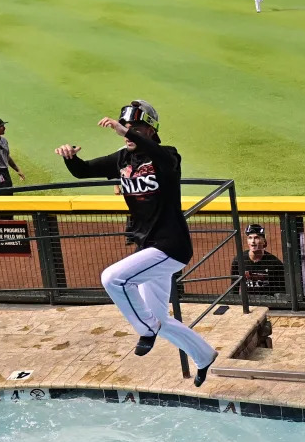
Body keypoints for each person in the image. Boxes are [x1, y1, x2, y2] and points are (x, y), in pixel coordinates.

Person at [53, 101, 218, 387]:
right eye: (125, 127)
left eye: (135, 129)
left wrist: (121, 132)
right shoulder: (122, 160)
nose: (128, 133)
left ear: (151, 131)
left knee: (113, 278)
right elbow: (82, 171)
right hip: (148, 249)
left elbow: (154, 152)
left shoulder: (167, 156)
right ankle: (204, 356)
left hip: (171, 246)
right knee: (159, 318)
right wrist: (69, 157)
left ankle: (145, 329)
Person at [231, 223, 286, 297]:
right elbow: (234, 288)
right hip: (247, 302)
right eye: (250, 238)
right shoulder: (239, 260)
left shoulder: (275, 263)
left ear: (264, 241)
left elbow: (282, 291)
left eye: (256, 238)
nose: (253, 241)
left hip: (269, 302)